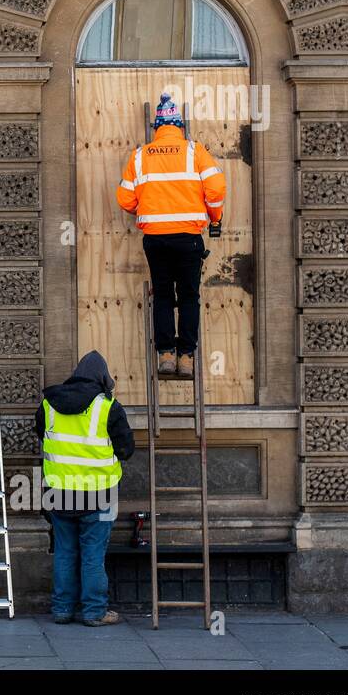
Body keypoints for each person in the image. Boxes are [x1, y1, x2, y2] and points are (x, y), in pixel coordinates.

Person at [116, 93, 226, 378]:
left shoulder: (140, 155)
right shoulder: (194, 150)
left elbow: (125, 199)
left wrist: (149, 205)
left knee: (163, 295)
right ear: (180, 126)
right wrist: (214, 217)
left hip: (156, 239)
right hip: (188, 237)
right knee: (189, 296)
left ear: (157, 128)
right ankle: (186, 357)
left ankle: (165, 354)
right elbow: (216, 190)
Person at [35, 351, 135, 626]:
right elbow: (126, 449)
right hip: (99, 494)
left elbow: (41, 435)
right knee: (93, 553)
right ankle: (94, 612)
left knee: (65, 552)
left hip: (58, 492)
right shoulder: (108, 407)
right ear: (103, 378)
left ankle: (62, 610)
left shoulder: (49, 404)